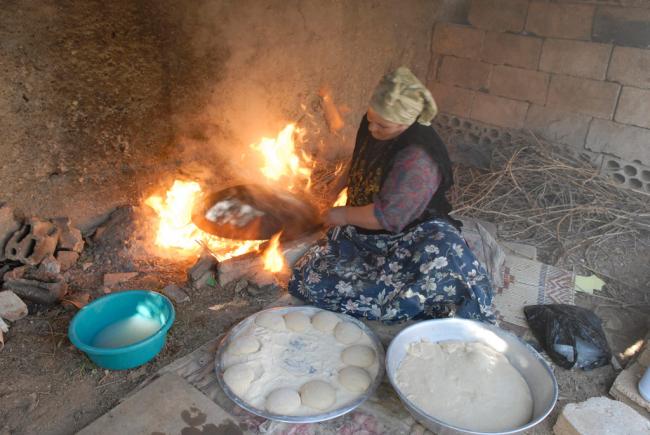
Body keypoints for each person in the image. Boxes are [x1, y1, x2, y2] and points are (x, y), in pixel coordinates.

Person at [288, 67, 495, 323]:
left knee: (426, 277)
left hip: (411, 235)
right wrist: (337, 185)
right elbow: (360, 155)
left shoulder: (418, 159)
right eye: (370, 119)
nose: (371, 128)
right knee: (311, 276)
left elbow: (387, 217)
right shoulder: (376, 123)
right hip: (364, 232)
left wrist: (341, 215)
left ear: (406, 123)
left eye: (382, 125)